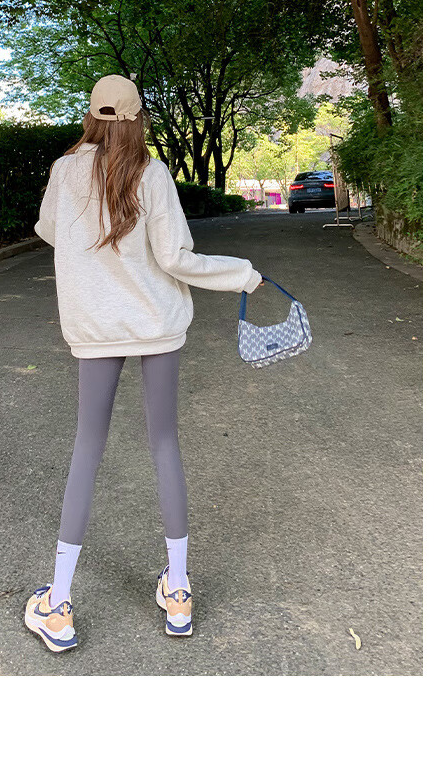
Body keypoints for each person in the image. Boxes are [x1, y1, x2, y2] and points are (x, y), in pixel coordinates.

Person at [24, 74, 264, 653]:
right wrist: (242, 274)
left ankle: (58, 605)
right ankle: (177, 591)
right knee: (164, 443)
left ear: (91, 116)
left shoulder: (64, 171)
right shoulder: (151, 174)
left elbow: (49, 231)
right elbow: (174, 257)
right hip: (156, 323)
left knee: (87, 446)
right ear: (138, 118)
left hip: (96, 327)